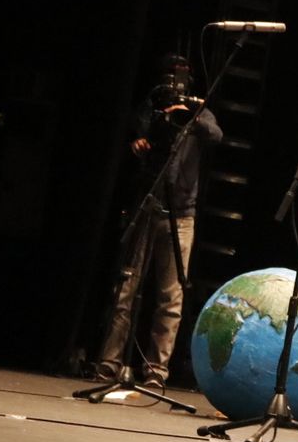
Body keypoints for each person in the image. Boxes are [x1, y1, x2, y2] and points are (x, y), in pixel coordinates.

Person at [94, 54, 222, 389]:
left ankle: (156, 372)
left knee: (171, 298)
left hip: (182, 215)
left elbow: (215, 135)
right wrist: (152, 127)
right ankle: (109, 365)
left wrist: (188, 116)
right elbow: (136, 134)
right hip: (147, 207)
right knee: (126, 290)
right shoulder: (151, 106)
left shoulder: (198, 109)